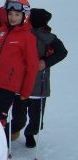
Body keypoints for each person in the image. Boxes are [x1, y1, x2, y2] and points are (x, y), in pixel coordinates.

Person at [9, 8, 68, 148]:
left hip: (39, 83)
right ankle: (11, 131)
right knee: (18, 117)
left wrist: (46, 62)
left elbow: (62, 52)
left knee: (36, 119)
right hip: (21, 82)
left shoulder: (49, 37)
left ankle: (30, 133)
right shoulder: (22, 31)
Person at [0, 0, 38, 128]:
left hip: (6, 87)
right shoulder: (1, 31)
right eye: (10, 14)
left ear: (25, 16)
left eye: (17, 14)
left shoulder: (28, 37)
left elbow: (32, 67)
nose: (12, 17)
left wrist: (25, 92)